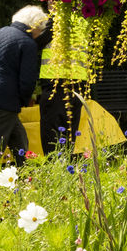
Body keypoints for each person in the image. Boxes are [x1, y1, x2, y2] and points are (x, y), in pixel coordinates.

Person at [0, 5, 49, 166]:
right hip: (6, 99)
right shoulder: (28, 43)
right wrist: (23, 100)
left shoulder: (1, 31)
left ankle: (26, 171)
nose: (39, 35)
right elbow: (27, 80)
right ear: (35, 27)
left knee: (18, 137)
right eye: (40, 30)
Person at [38, 11, 91, 153]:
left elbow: (34, 39)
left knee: (52, 133)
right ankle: (66, 170)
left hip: (56, 82)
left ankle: (54, 171)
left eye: (51, 1)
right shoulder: (83, 20)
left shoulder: (55, 21)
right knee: (69, 133)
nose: (49, 5)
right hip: (78, 82)